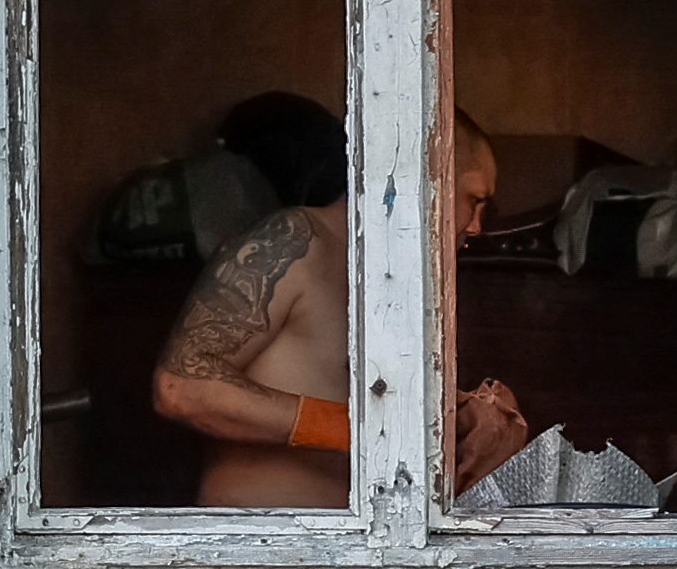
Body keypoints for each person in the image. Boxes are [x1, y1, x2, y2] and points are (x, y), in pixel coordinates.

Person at [151, 91, 531, 503]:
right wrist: (367, 430)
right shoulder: (296, 238)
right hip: (260, 553)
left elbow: (349, 398)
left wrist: (460, 420)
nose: (476, 227)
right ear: (426, 174)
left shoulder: (394, 280)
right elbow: (180, 387)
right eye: (474, 200)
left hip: (355, 556)